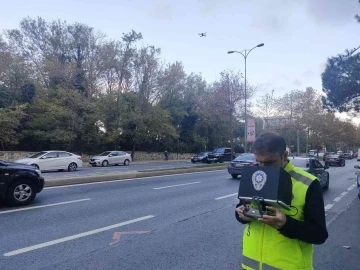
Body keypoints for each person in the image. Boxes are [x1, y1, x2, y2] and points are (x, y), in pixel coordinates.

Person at [235, 131, 328, 270]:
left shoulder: (308, 183)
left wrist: (285, 224)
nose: (264, 168)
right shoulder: (255, 175)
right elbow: (242, 208)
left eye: (270, 162)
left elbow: (319, 235)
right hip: (249, 265)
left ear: (284, 155)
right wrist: (241, 214)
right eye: (259, 162)